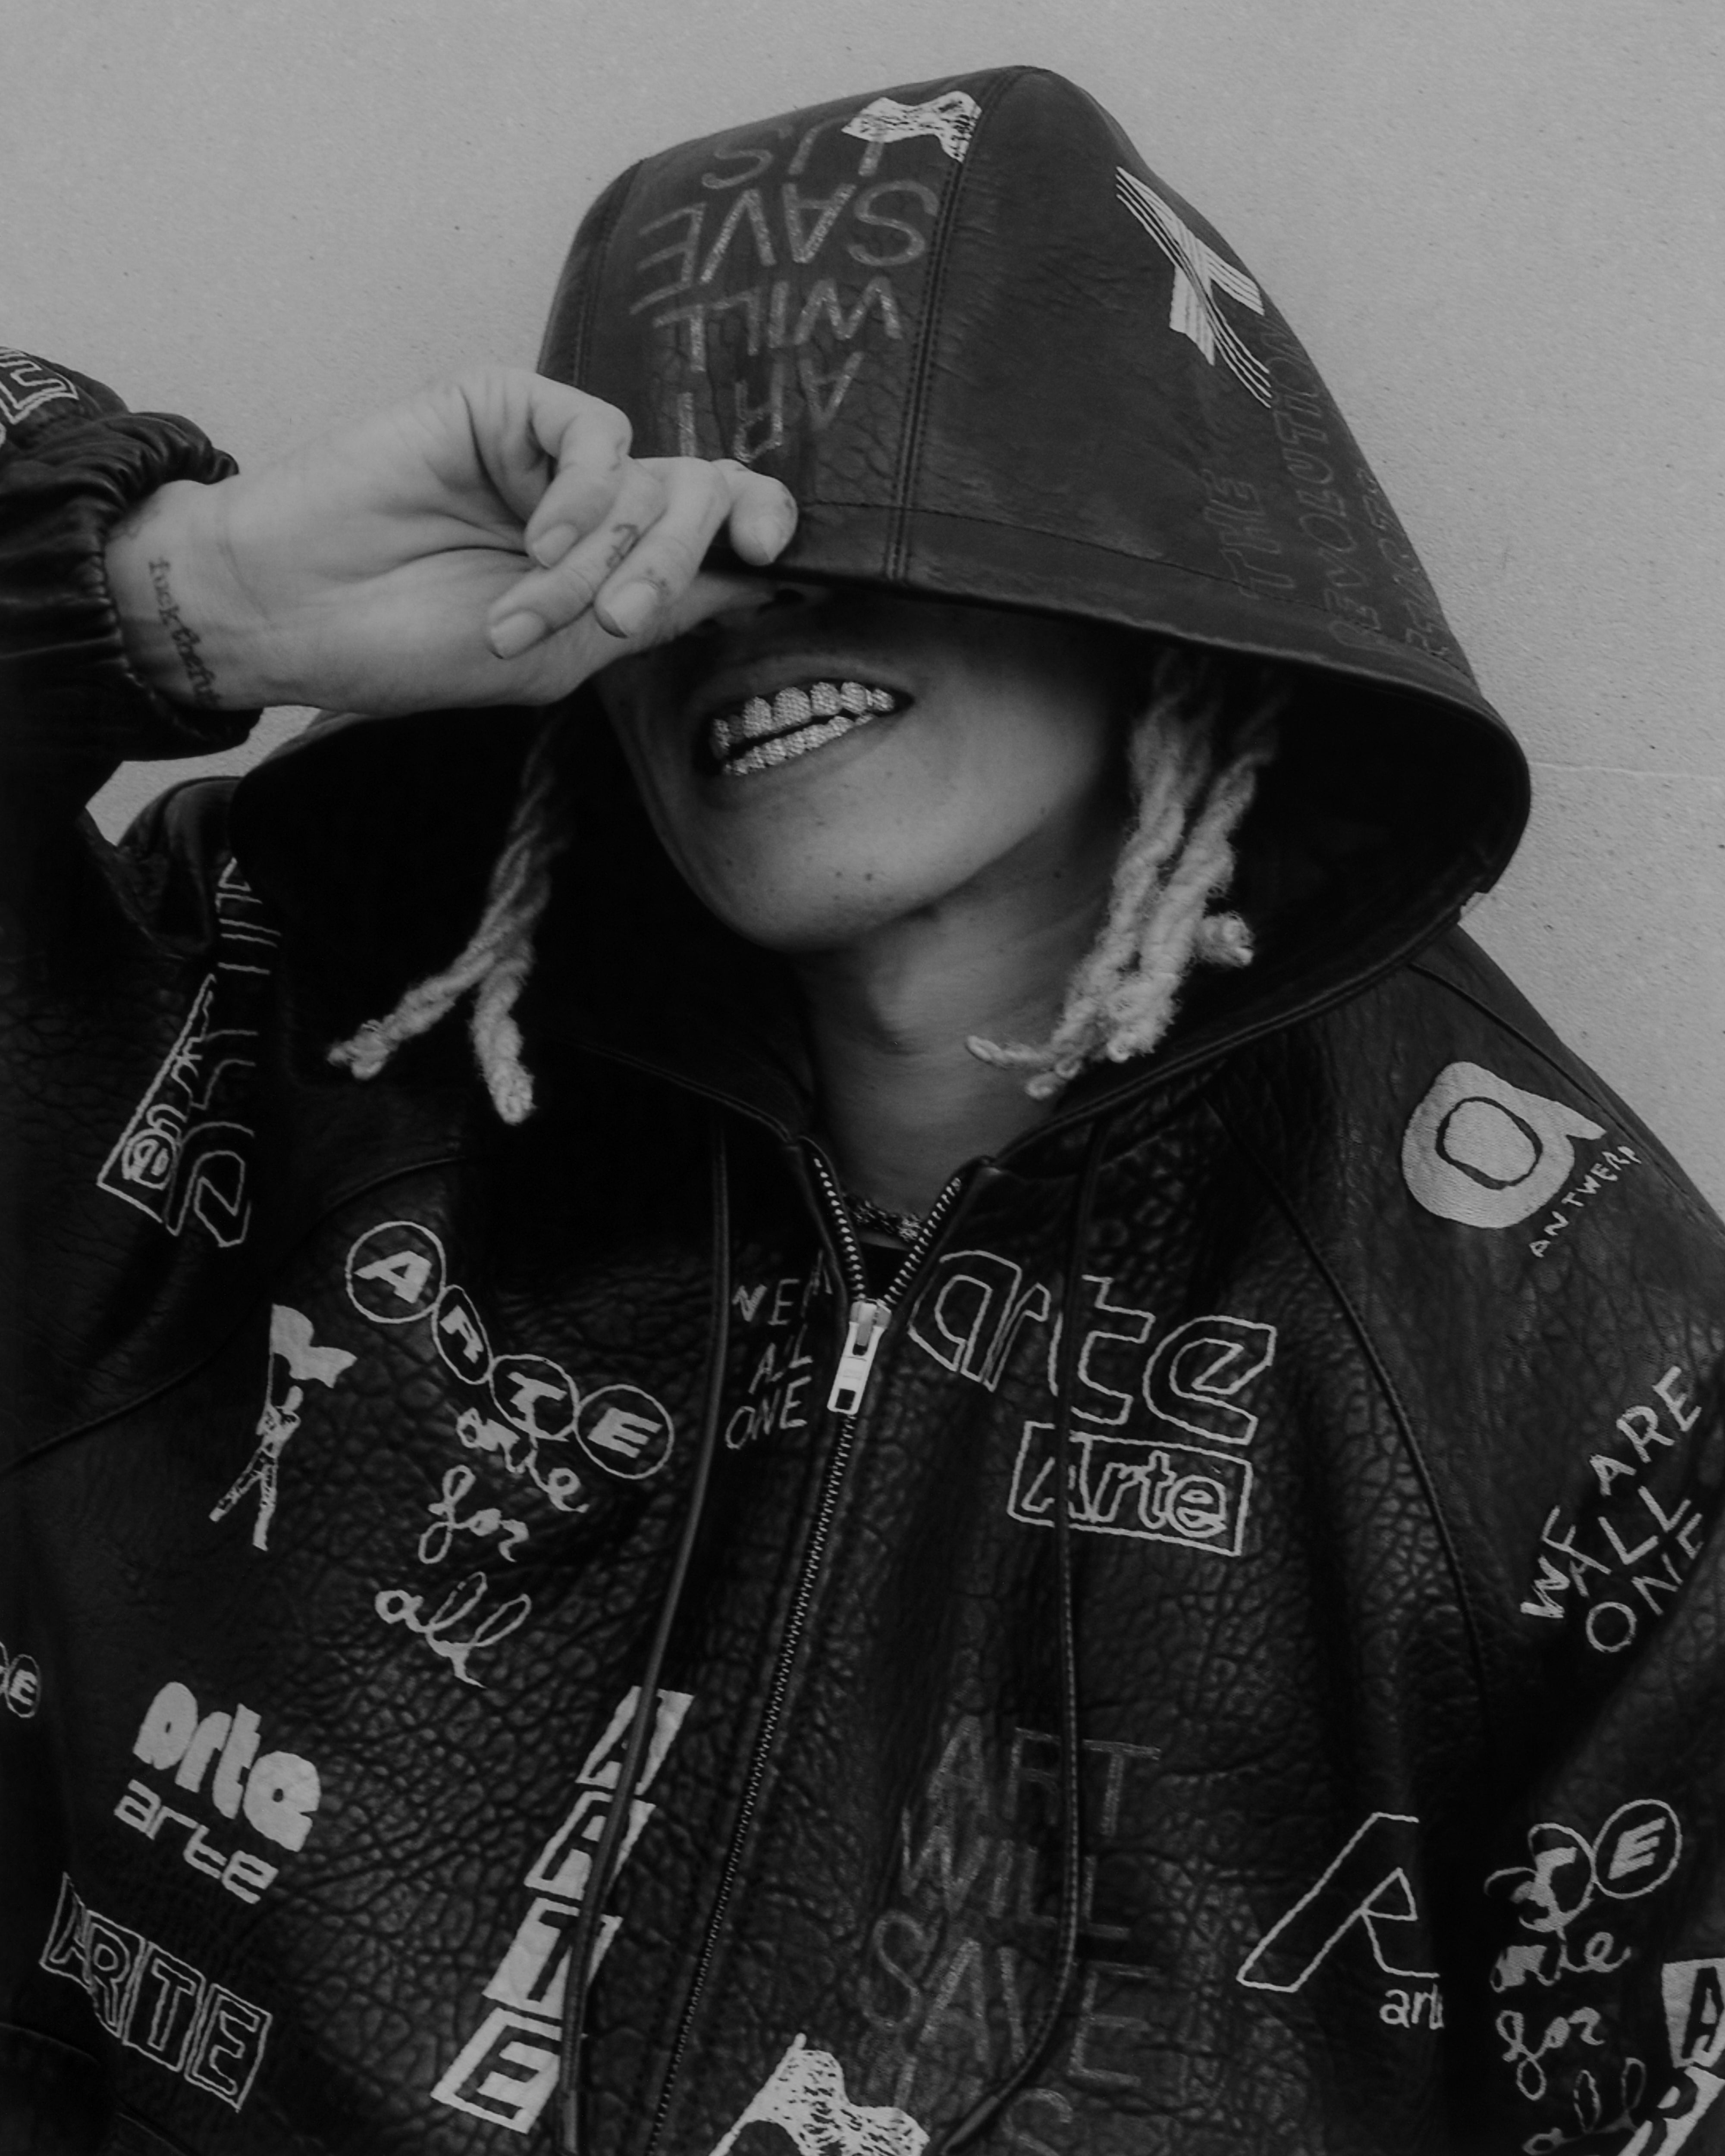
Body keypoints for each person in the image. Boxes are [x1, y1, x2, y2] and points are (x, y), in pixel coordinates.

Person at [2, 63, 1722, 2156]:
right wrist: (183, 597)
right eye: (681, 548)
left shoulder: (1567, 1351)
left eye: (881, 518)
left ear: (1162, 571)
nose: (761, 600)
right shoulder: (278, 1042)